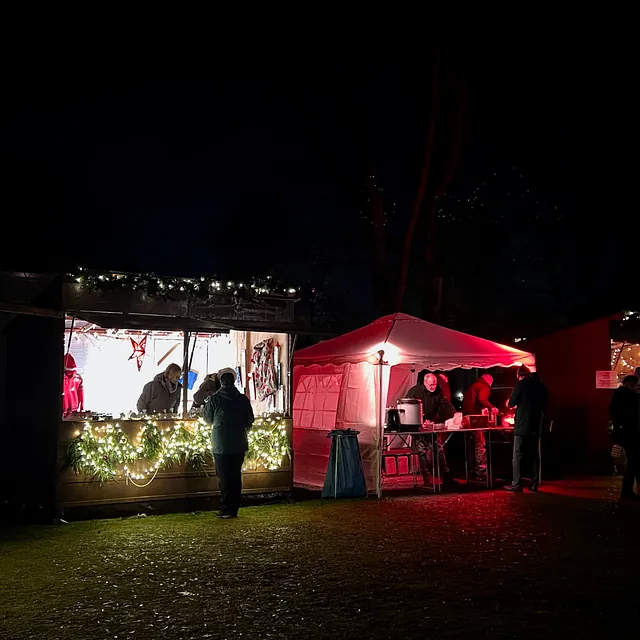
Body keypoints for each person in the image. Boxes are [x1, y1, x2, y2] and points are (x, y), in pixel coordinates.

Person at [203, 371, 255, 518]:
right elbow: (249, 419)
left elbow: (207, 419)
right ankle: (234, 508)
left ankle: (226, 508)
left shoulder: (214, 399)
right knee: (235, 476)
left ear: (221, 382)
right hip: (239, 442)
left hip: (221, 443)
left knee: (224, 477)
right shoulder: (242, 399)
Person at [407, 370, 456, 486]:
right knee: (421, 452)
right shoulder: (414, 392)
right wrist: (420, 421)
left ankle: (446, 477)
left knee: (438, 449)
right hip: (417, 427)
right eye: (431, 385)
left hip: (431, 426)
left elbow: (444, 404)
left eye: (434, 384)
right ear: (424, 383)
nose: (433, 387)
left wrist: (455, 414)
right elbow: (408, 409)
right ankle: (427, 480)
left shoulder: (438, 391)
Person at [504, 365, 548, 492]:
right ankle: (534, 484)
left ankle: (517, 483)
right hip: (536, 426)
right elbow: (545, 405)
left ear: (521, 376)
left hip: (522, 426)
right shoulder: (541, 386)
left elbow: (511, 403)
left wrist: (509, 402)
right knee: (534, 455)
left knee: (517, 455)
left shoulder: (520, 385)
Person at [610, 375, 640, 501]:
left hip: (625, 434)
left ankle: (628, 489)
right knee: (634, 462)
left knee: (633, 461)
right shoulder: (631, 398)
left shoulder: (618, 396)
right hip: (632, 434)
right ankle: (627, 490)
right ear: (630, 385)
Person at [462, 373, 496, 481]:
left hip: (467, 419)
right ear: (489, 381)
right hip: (476, 420)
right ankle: (481, 471)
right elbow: (483, 400)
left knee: (471, 445)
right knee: (480, 444)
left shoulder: (473, 386)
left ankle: (472, 469)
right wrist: (492, 408)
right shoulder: (484, 386)